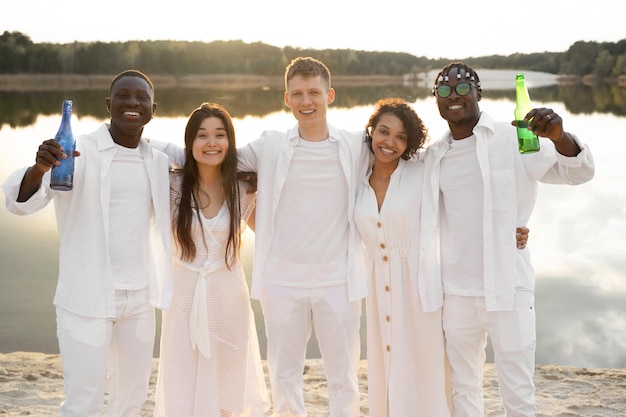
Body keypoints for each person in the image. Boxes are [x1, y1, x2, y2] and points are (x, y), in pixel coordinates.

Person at [420, 62, 595, 417]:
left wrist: (560, 137)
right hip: (455, 293)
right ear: (435, 100)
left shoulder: (514, 136)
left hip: (508, 288)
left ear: (479, 93)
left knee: (517, 390)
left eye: (463, 88)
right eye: (443, 90)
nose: (453, 96)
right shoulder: (433, 157)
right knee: (462, 389)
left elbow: (579, 173)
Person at [2, 70, 173, 417]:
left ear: (153, 110)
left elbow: (208, 159)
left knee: (132, 397)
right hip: (85, 298)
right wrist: (39, 167)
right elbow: (19, 203)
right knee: (84, 401)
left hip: (139, 299)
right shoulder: (73, 150)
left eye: (141, 98)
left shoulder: (158, 160)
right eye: (123, 96)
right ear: (109, 104)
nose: (132, 103)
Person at [237, 57, 370, 417]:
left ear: (330, 95)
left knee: (343, 375)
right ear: (286, 98)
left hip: (338, 280)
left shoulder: (358, 145)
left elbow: (408, 165)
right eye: (298, 93)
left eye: (314, 92)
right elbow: (214, 160)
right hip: (282, 280)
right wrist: (254, 217)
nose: (306, 101)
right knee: (284, 373)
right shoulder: (269, 145)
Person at [153, 102, 269, 416]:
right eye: (202, 136)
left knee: (228, 379)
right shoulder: (171, 186)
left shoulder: (243, 189)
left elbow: (274, 235)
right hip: (183, 293)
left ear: (230, 143)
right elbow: (141, 145)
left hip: (228, 294)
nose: (212, 143)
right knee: (181, 378)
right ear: (189, 143)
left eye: (220, 135)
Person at [354, 97, 453, 416]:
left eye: (400, 137)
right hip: (376, 284)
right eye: (384, 132)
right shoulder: (356, 179)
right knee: (385, 362)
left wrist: (514, 225)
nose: (390, 142)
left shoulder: (423, 170)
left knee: (425, 364)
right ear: (371, 132)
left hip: (418, 284)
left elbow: (469, 185)